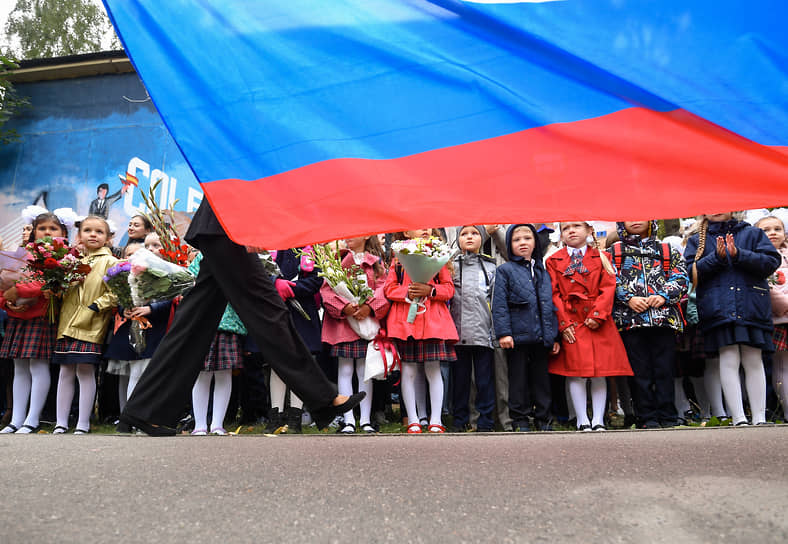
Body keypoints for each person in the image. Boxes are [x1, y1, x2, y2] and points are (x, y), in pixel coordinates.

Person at [119, 200, 364, 436]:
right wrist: (253, 229)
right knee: (269, 312)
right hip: (226, 227)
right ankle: (323, 398)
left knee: (192, 324)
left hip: (221, 226)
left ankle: (144, 410)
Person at [685, 213, 780, 426]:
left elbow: (771, 262)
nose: (716, 208)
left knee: (753, 359)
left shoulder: (752, 233)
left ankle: (759, 417)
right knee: (728, 359)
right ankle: (738, 417)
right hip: (717, 307)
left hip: (750, 304)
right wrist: (716, 258)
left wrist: (739, 255)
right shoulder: (696, 240)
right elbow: (691, 273)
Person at [546, 222, 632, 431]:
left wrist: (598, 314)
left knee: (600, 371)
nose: (571, 231)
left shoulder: (603, 257)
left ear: (588, 230)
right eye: (566, 228)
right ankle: (582, 419)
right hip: (572, 321)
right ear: (561, 234)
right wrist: (564, 323)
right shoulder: (553, 260)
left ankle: (599, 420)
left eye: (576, 226)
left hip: (598, 322)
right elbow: (553, 293)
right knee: (576, 371)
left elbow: (608, 287)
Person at [609, 220, 689, 428]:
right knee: (639, 371)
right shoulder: (614, 252)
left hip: (663, 321)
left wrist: (663, 296)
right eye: (629, 216)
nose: (635, 220)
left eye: (641, 215)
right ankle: (646, 417)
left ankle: (668, 415)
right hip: (630, 322)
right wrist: (627, 298)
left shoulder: (666, 249)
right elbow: (609, 278)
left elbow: (681, 277)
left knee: (665, 369)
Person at [0, 212, 69, 433]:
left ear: (64, 233)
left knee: (38, 366)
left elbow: (45, 283)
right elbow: (5, 280)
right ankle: (16, 419)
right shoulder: (23, 254)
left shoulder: (64, 256)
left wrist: (18, 289)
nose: (47, 232)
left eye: (53, 228)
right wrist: (7, 302)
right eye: (42, 228)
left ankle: (32, 418)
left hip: (40, 316)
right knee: (19, 368)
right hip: (18, 317)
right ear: (33, 231)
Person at [384, 229, 458, 433]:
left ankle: (436, 420)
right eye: (419, 226)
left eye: (429, 226)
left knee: (433, 369)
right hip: (406, 323)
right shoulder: (399, 259)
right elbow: (389, 288)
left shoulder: (438, 255)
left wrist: (431, 291)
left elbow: (449, 288)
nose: (425, 229)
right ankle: (414, 419)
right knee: (408, 370)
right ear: (407, 233)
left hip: (433, 321)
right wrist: (407, 293)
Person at [52, 216, 118, 434]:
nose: (93, 234)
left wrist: (95, 307)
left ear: (108, 238)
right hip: (67, 323)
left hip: (90, 324)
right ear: (79, 235)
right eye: (87, 230)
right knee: (65, 370)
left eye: (99, 232)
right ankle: (61, 422)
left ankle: (83, 423)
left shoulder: (111, 262)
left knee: (85, 370)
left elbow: (116, 294)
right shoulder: (73, 260)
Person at [491, 224, 560, 432]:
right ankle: (519, 419)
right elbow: (500, 305)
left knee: (541, 378)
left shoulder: (542, 270)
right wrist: (504, 333)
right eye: (516, 239)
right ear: (510, 245)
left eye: (527, 238)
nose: (523, 243)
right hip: (517, 336)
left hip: (540, 335)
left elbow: (549, 304)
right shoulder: (505, 271)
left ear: (535, 243)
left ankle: (543, 418)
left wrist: (553, 335)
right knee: (518, 379)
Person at [321, 236, 389, 434]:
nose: (348, 237)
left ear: (367, 235)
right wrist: (344, 308)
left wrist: (370, 307)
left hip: (366, 324)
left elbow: (383, 288)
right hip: (344, 324)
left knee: (364, 371)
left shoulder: (376, 263)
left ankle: (366, 419)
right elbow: (327, 291)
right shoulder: (338, 261)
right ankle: (348, 419)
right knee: (344, 369)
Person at [105, 242, 172, 432]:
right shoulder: (131, 273)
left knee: (144, 375)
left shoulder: (166, 273)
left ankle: (142, 418)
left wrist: (150, 308)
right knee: (133, 374)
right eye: (147, 245)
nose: (151, 249)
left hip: (155, 330)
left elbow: (170, 299)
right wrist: (125, 308)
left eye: (156, 245)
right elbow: (122, 296)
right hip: (134, 330)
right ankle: (128, 418)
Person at [188, 251, 246, 436]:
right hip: (203, 321)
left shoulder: (239, 257)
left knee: (224, 373)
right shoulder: (202, 257)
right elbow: (189, 282)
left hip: (229, 322)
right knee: (201, 374)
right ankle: (199, 424)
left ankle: (217, 424)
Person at [449, 225, 497, 432]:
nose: (469, 237)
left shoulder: (491, 267)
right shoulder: (450, 266)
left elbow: (494, 301)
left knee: (484, 381)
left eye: (475, 233)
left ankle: (486, 420)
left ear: (483, 238)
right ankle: (459, 420)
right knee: (459, 382)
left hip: (482, 333)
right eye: (464, 234)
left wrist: (494, 333)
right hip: (457, 334)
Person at [755, 213, 788, 416]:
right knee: (782, 365)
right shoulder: (759, 259)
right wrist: (785, 304)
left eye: (777, 228)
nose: (773, 233)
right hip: (778, 318)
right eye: (766, 230)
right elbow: (769, 288)